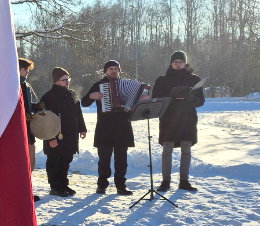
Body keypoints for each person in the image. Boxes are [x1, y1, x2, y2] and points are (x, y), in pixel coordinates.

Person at [82, 60, 139, 195]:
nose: (113, 71)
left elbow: (137, 100)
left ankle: (121, 185)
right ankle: (102, 185)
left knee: (121, 159)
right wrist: (91, 95)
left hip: (123, 126)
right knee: (104, 158)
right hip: (105, 127)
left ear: (119, 71)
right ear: (105, 71)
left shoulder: (127, 85)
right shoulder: (99, 85)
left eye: (116, 69)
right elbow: (84, 102)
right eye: (110, 69)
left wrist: (142, 98)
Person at [152, 51, 205, 192]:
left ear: (185, 63)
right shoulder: (162, 80)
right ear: (171, 63)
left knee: (186, 150)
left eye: (180, 62)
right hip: (168, 119)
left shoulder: (195, 80)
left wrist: (191, 99)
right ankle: (165, 181)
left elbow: (201, 101)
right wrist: (172, 98)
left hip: (187, 119)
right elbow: (155, 99)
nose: (177, 64)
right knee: (167, 150)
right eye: (175, 62)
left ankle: (184, 181)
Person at [39, 68, 87, 197]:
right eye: (64, 80)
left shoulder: (72, 94)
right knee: (55, 161)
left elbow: (78, 113)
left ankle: (64, 184)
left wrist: (82, 129)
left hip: (71, 135)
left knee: (66, 160)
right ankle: (55, 187)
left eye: (68, 79)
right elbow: (44, 120)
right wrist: (51, 138)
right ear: (56, 82)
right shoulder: (48, 97)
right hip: (55, 137)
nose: (67, 82)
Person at [19, 58, 42, 202]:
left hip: (28, 127)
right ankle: (21, 192)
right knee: (22, 162)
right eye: (25, 69)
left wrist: (35, 107)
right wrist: (24, 116)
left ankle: (26, 191)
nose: (27, 72)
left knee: (29, 162)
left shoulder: (25, 83)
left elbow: (25, 106)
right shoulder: (14, 83)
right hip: (20, 129)